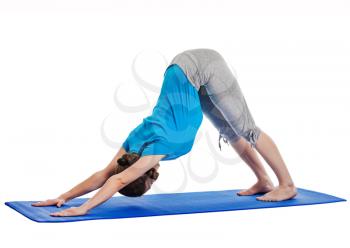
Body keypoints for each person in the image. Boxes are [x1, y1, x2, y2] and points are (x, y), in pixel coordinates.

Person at [32, 48, 297, 217]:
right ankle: (263, 180)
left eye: (148, 186)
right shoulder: (133, 147)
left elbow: (115, 181)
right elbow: (104, 175)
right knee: (230, 130)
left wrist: (83, 208)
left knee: (247, 129)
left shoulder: (155, 151)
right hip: (184, 73)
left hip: (201, 66)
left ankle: (286, 185)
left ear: (146, 177)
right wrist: (63, 197)